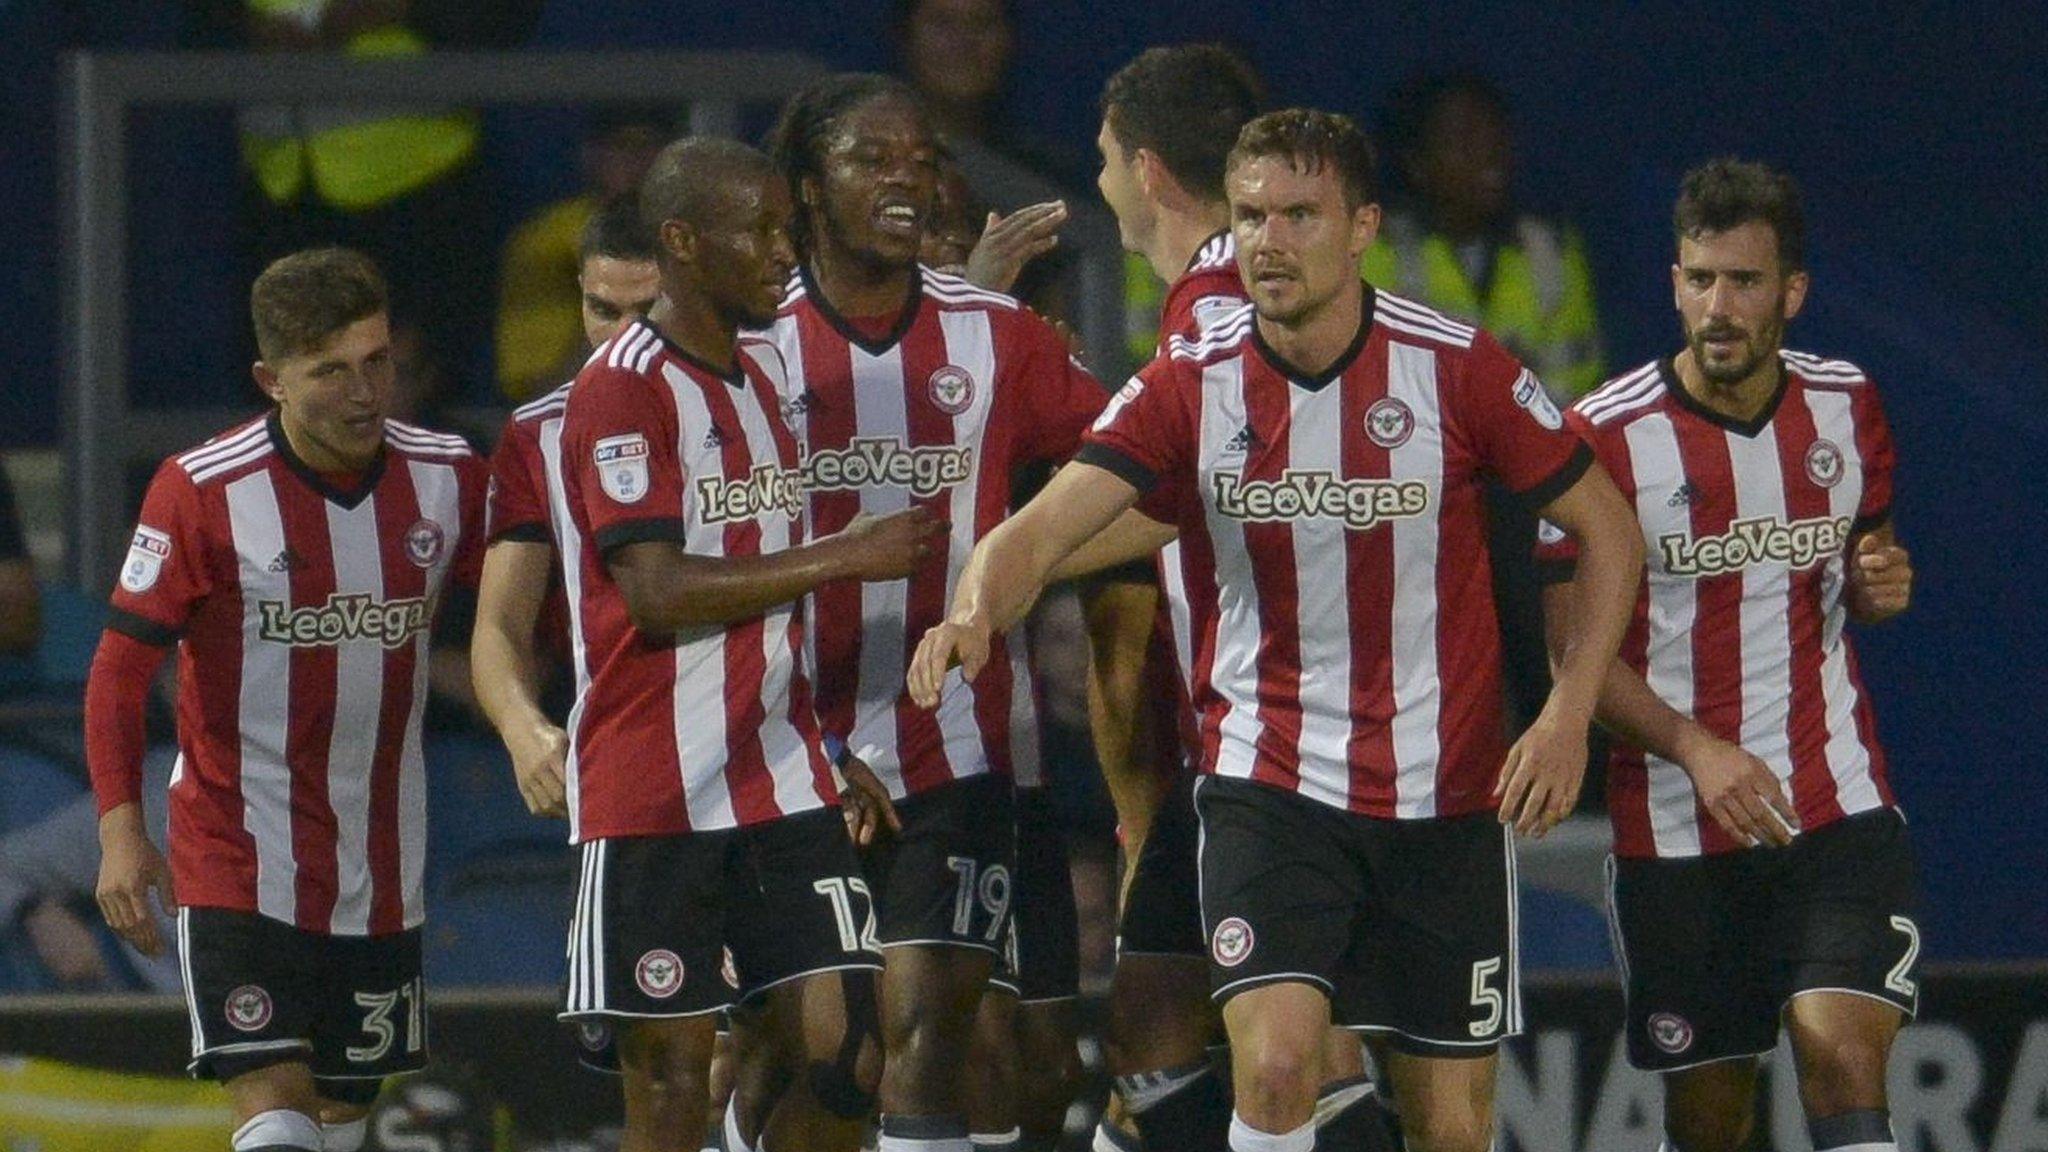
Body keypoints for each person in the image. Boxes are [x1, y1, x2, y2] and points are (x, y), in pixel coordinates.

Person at [909, 109, 1644, 1152]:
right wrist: (976, 611)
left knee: (1447, 1126)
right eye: (1251, 215)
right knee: (1279, 1061)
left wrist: (1569, 716)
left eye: (1299, 215)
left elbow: (1607, 531)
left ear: (1360, 229)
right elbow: (1036, 530)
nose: (1269, 239)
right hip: (1269, 781)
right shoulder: (1189, 379)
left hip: (1445, 790)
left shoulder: (1454, 368)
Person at [552, 134, 941, 1152]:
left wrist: (821, 743)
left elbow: (763, 587)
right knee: (673, 1086)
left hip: (780, 778)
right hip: (654, 789)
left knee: (850, 1059)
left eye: (787, 226)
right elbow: (656, 590)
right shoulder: (622, 387)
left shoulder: (760, 373)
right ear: (682, 241)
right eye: (760, 230)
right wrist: (845, 557)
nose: (785, 251)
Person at [1536, 158, 1919, 1152]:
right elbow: (1570, 658)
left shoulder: (1845, 407)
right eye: (1697, 279)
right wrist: (1696, 749)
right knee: (1709, 1118)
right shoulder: (1603, 439)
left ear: (1788, 292)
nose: (1716, 305)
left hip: (1827, 803)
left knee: (1838, 1055)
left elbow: (1863, 571)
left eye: (1742, 282)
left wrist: (1880, 591)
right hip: (1672, 833)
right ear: (1672, 283)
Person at [761, 74, 1110, 1152]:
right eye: (873, 160)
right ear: (811, 187)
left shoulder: (996, 337)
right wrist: (809, 746)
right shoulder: (749, 349)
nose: (906, 179)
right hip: (774, 752)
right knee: (817, 1064)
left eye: (921, 159)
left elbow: (1124, 467)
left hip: (951, 751)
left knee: (932, 1037)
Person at [86, 246, 490, 1152]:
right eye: (331, 372)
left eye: (378, 362)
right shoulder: (200, 491)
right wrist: (120, 831)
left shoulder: (451, 477)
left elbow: (521, 610)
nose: (363, 393)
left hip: (384, 864)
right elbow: (118, 670)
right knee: (276, 1113)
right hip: (237, 850)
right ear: (272, 379)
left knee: (342, 1119)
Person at [474, 196, 661, 827]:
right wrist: (523, 730)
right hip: (626, 765)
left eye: (649, 312)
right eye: (603, 311)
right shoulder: (536, 435)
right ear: (579, 293)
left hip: (778, 760)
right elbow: (499, 624)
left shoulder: (757, 403)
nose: (625, 339)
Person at [1363, 72, 1604, 402]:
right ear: (1416, 163)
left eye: (1496, 138)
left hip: (1538, 447)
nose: (1488, 156)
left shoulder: (1553, 248)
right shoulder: (1375, 249)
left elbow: (1581, 384)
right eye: (1463, 142)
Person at [495, 109, 671, 401]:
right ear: (591, 155)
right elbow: (538, 394)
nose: (637, 161)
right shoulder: (547, 242)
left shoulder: (697, 239)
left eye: (649, 146)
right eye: (621, 146)